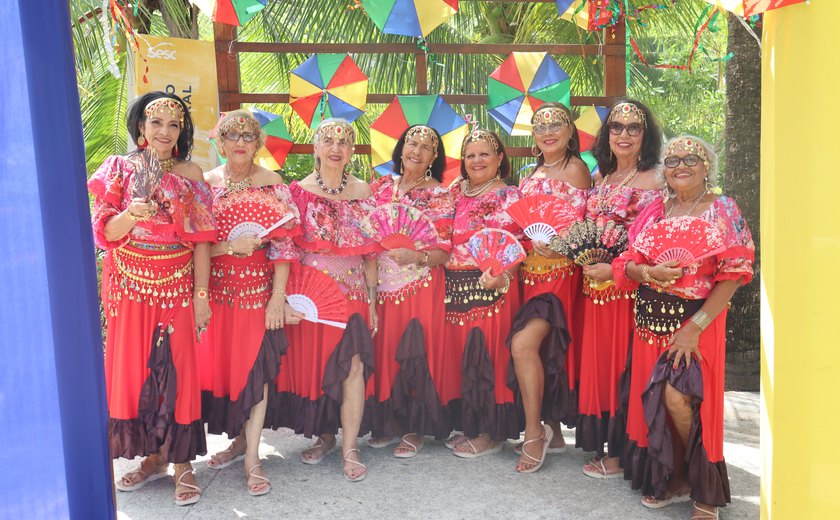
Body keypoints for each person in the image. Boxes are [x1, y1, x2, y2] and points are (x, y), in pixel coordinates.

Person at [613, 136, 754, 519]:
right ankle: (672, 477)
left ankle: (701, 485)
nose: (680, 166)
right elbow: (627, 261)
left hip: (696, 320)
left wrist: (697, 325)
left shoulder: (722, 209)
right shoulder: (656, 210)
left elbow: (734, 274)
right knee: (655, 402)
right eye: (672, 160)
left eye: (690, 158)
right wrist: (646, 271)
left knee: (681, 397)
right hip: (650, 321)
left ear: (706, 164)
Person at [88, 92, 215, 506]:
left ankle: (182, 463)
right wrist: (131, 215)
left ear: (182, 131)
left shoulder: (192, 173)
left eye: (173, 124)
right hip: (129, 284)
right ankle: (151, 457)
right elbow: (105, 233)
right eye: (155, 122)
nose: (164, 131)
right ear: (140, 126)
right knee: (135, 369)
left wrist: (201, 296)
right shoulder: (120, 169)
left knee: (177, 368)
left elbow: (200, 243)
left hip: (177, 284)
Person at [198, 110, 303, 496]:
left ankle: (253, 457)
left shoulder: (271, 183)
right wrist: (231, 246)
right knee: (227, 373)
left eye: (247, 135)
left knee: (255, 375)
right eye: (231, 134)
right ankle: (239, 441)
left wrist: (278, 298)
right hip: (219, 296)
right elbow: (198, 245)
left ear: (258, 143)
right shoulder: (207, 185)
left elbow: (284, 242)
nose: (240, 141)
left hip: (259, 295)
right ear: (220, 142)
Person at [269, 119, 378, 481]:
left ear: (351, 151)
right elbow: (285, 249)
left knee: (354, 367)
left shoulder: (365, 193)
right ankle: (325, 436)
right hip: (311, 297)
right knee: (322, 369)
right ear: (315, 147)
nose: (336, 147)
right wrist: (285, 299)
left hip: (354, 295)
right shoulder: (296, 193)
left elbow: (372, 255)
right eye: (328, 140)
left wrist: (374, 302)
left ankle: (351, 447)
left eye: (344, 141)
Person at [572, 100, 662, 478]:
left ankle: (626, 452)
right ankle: (608, 445)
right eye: (617, 127)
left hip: (631, 290)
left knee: (628, 368)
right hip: (597, 292)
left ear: (647, 135)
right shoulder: (600, 178)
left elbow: (659, 238)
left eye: (633, 127)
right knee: (604, 367)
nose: (623, 134)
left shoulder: (658, 178)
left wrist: (618, 268)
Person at [508, 103, 591, 473]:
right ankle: (553, 430)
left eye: (556, 123)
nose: (548, 130)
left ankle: (533, 432)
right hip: (529, 274)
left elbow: (582, 225)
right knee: (540, 352)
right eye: (540, 125)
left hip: (559, 274)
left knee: (523, 345)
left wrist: (558, 242)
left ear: (570, 130)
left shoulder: (575, 169)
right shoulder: (530, 173)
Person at [366, 125, 455, 457]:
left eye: (426, 147)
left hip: (421, 284)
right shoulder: (377, 189)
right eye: (411, 143)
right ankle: (388, 422)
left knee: (417, 351)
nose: (416, 150)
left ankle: (416, 429)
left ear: (434, 157)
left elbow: (444, 251)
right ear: (400, 148)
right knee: (383, 350)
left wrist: (416, 256)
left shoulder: (439, 194)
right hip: (382, 285)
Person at [443, 130, 524, 458]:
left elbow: (519, 247)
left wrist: (502, 277)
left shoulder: (510, 196)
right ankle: (470, 424)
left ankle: (490, 433)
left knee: (487, 357)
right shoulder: (453, 192)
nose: (476, 161)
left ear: (500, 158)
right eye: (470, 155)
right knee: (463, 357)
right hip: (454, 289)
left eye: (484, 154)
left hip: (492, 288)